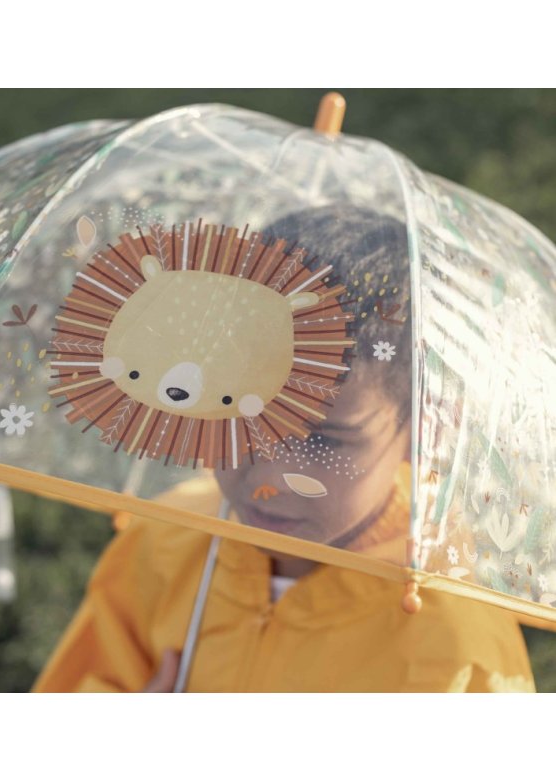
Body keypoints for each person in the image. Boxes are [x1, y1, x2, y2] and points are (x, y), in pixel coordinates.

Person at [33, 206, 536, 693]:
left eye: (321, 439)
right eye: (245, 412)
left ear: (424, 431)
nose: (268, 474)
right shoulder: (164, 543)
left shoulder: (454, 641)